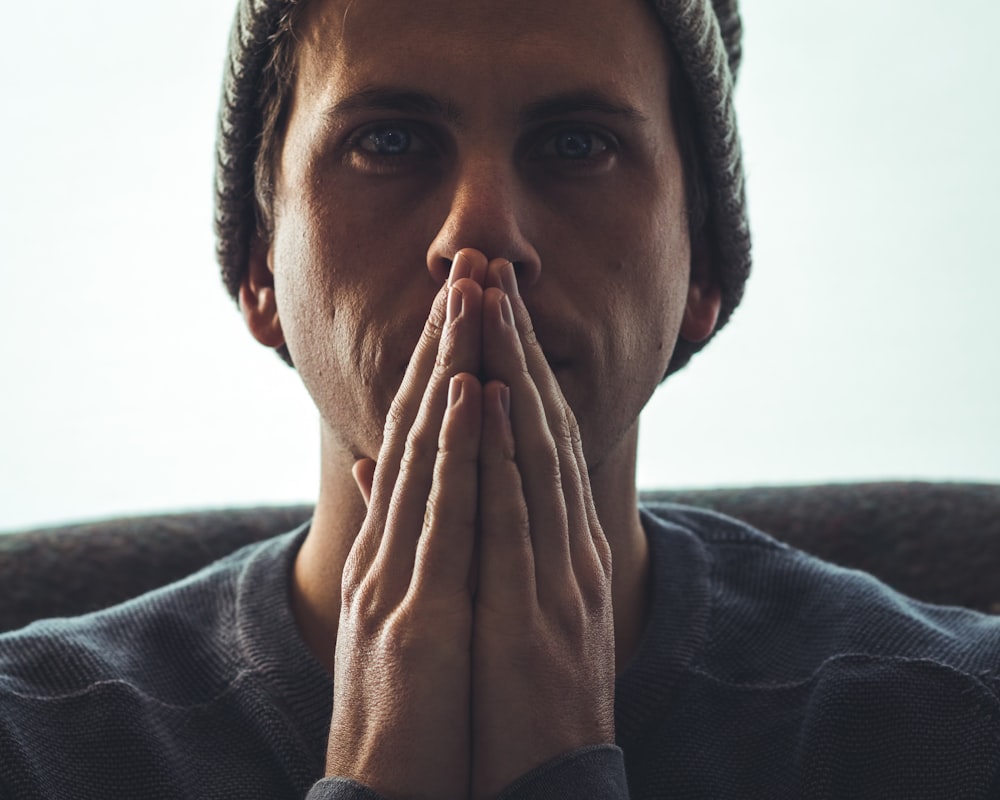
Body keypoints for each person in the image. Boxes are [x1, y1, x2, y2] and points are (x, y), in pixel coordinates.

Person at [1, 0, 998, 797]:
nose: (478, 236)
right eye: (388, 142)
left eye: (576, 145)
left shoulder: (957, 725)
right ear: (260, 264)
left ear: (703, 271)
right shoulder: (34, 743)